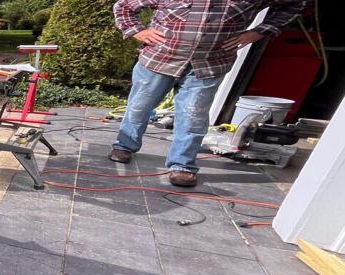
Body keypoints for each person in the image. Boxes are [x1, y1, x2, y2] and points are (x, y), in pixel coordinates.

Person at [110, 0, 309, 187]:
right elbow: (124, 5)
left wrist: (258, 32)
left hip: (210, 64)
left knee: (193, 116)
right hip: (159, 58)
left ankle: (182, 165)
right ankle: (124, 146)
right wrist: (137, 30)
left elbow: (295, 4)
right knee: (140, 106)